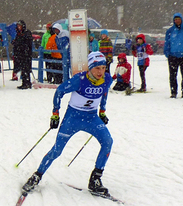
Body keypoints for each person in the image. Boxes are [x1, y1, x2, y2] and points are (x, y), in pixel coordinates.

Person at [22, 51, 114, 196]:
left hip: (91, 117)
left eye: (103, 68)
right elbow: (59, 91)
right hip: (73, 118)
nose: (100, 72)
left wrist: (102, 112)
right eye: (97, 68)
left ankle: (95, 179)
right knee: (57, 151)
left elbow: (104, 94)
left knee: (108, 141)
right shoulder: (80, 79)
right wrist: (55, 114)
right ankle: (37, 175)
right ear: (90, 67)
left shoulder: (107, 79)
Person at [12, 20, 34, 89]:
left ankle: (27, 83)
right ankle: (24, 82)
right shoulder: (18, 34)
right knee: (23, 69)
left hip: (26, 54)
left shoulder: (26, 33)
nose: (19, 27)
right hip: (20, 55)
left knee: (26, 69)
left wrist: (19, 44)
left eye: (20, 26)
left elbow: (26, 43)